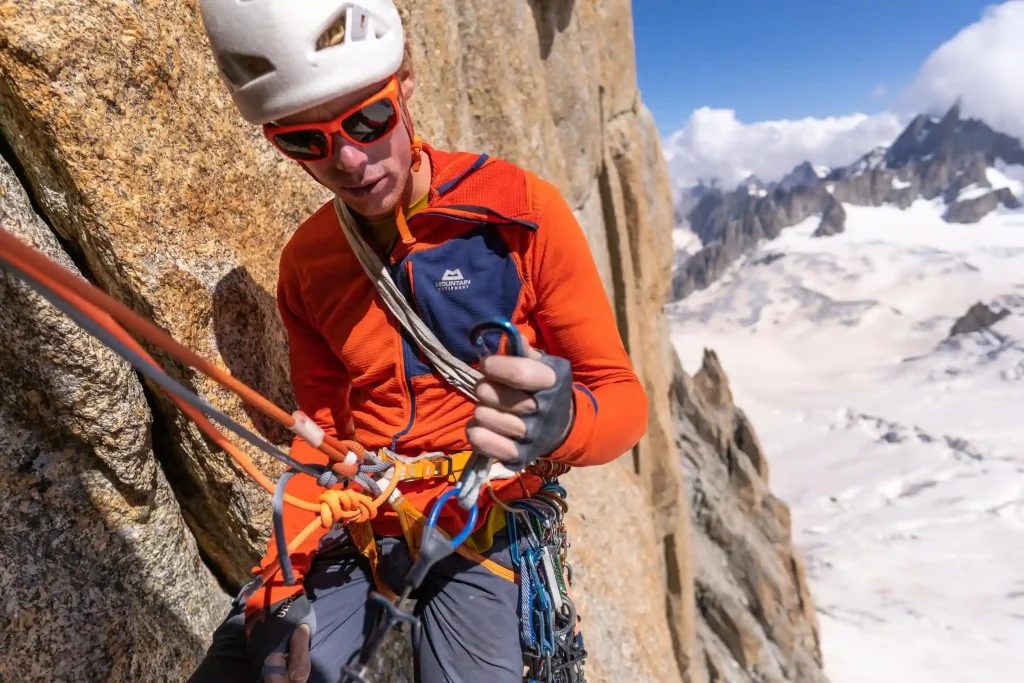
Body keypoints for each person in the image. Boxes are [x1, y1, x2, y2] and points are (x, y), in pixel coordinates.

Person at [190, 1, 648, 682]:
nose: (347, 159)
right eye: (306, 142)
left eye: (367, 119)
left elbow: (622, 402)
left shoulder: (518, 215)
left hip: (484, 516)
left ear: (405, 84)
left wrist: (562, 422)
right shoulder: (309, 264)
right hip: (364, 521)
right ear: (276, 143)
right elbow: (319, 441)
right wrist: (277, 585)